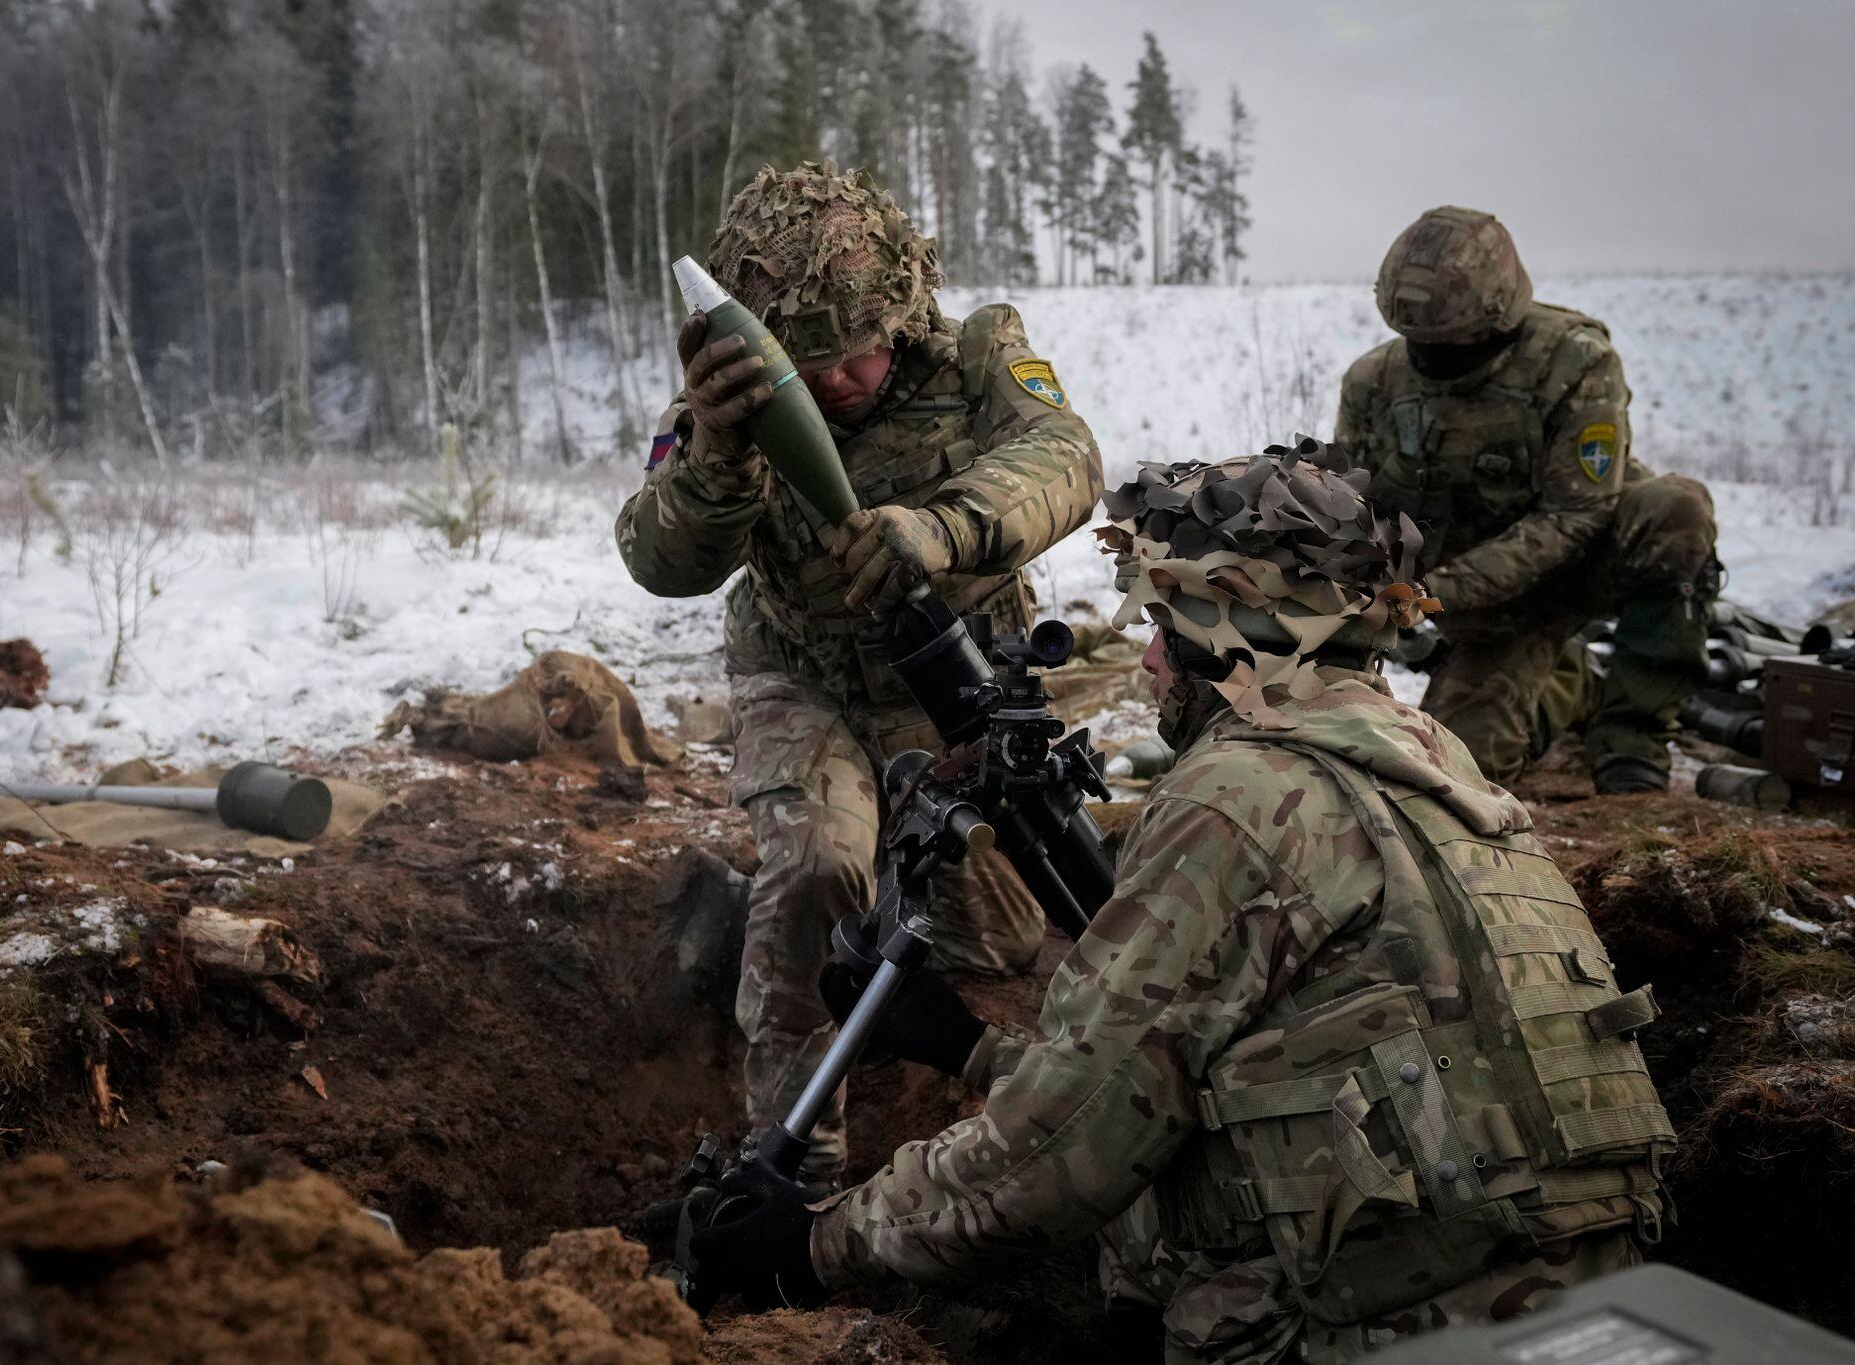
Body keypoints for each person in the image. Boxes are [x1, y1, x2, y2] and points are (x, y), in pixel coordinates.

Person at [687, 446, 1675, 1363]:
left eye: (1164, 628)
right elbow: (1296, 1074)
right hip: (1599, 1310)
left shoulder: (1237, 799)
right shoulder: (1442, 769)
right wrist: (970, 1049)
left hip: (1393, 1332)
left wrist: (813, 1243)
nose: (1149, 662)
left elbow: (1055, 1162)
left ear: (1229, 634)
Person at [615, 162, 1101, 1189]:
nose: (835, 380)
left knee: (1004, 941)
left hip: (954, 689)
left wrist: (942, 528)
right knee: (815, 868)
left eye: (857, 349)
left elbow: (1065, 458)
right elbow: (660, 561)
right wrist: (716, 456)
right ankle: (797, 1169)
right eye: (810, 358)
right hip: (805, 681)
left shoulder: (979, 357)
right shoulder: (723, 412)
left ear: (902, 312)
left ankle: (846, 919)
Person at [1330, 205, 1719, 793]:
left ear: (1498, 318)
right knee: (1456, 769)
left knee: (1674, 508)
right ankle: (1566, 688)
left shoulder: (1575, 361)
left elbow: (1577, 513)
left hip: (1583, 562)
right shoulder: (1374, 382)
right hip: (1492, 608)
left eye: (1451, 346)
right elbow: (1357, 508)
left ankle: (1632, 732)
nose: (1432, 360)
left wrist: (1433, 594)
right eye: (1419, 344)